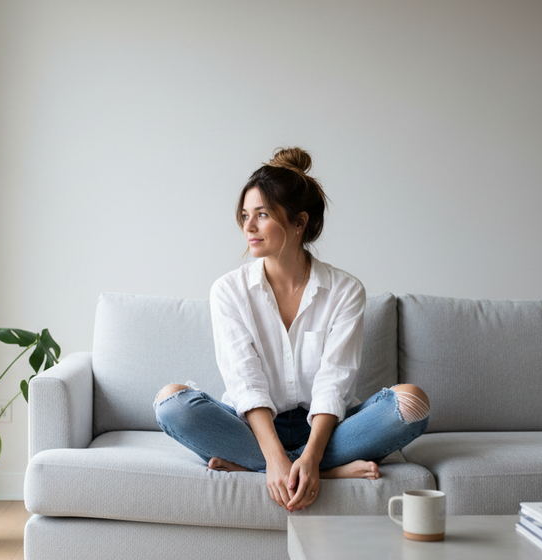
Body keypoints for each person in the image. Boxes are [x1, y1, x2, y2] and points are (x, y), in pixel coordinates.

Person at [154, 147, 430, 513]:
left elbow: (334, 382)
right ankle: (314, 471)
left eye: (262, 215)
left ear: (299, 222)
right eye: (245, 216)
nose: (248, 227)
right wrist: (274, 457)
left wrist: (312, 457)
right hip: (252, 428)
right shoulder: (228, 291)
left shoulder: (345, 291)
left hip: (324, 431)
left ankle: (282, 467)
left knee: (412, 402)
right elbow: (245, 380)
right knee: (171, 403)